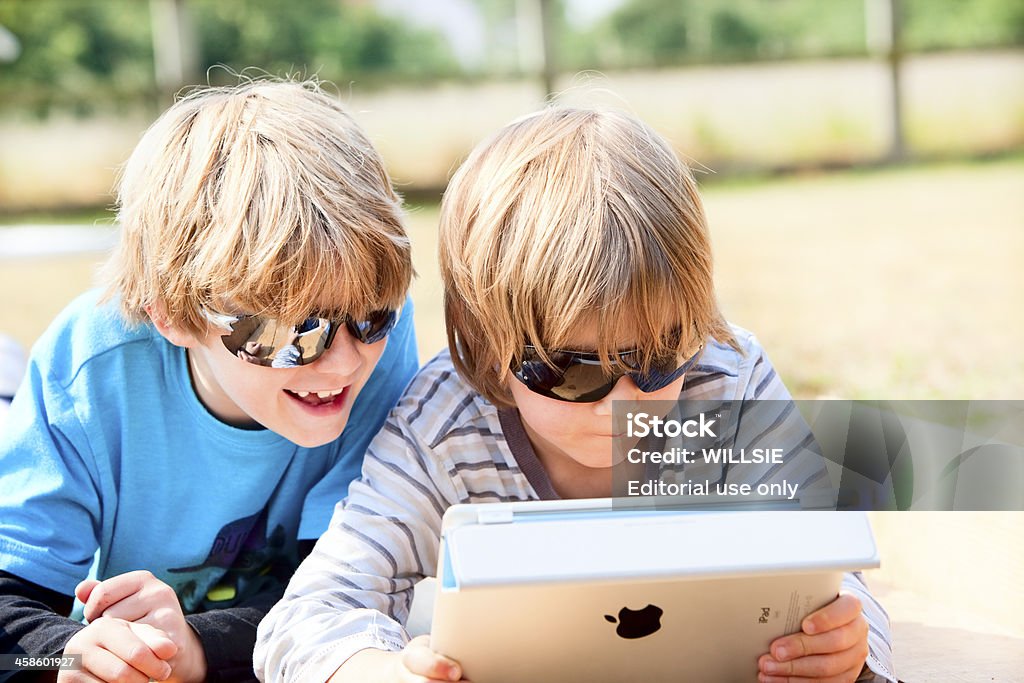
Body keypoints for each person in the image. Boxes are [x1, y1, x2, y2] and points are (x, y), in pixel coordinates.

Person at [253, 108, 897, 683]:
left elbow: (834, 574)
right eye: (572, 372)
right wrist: (381, 672)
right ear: (484, 349)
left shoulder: (727, 382)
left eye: (654, 359)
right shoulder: (443, 425)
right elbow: (308, 617)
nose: (622, 405)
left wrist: (845, 651)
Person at [0, 78, 418, 683]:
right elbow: (12, 627)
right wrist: (67, 655)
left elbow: (361, 599)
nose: (344, 363)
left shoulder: (387, 350)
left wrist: (200, 646)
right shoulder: (90, 368)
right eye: (288, 335)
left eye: (371, 315)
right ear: (170, 315)